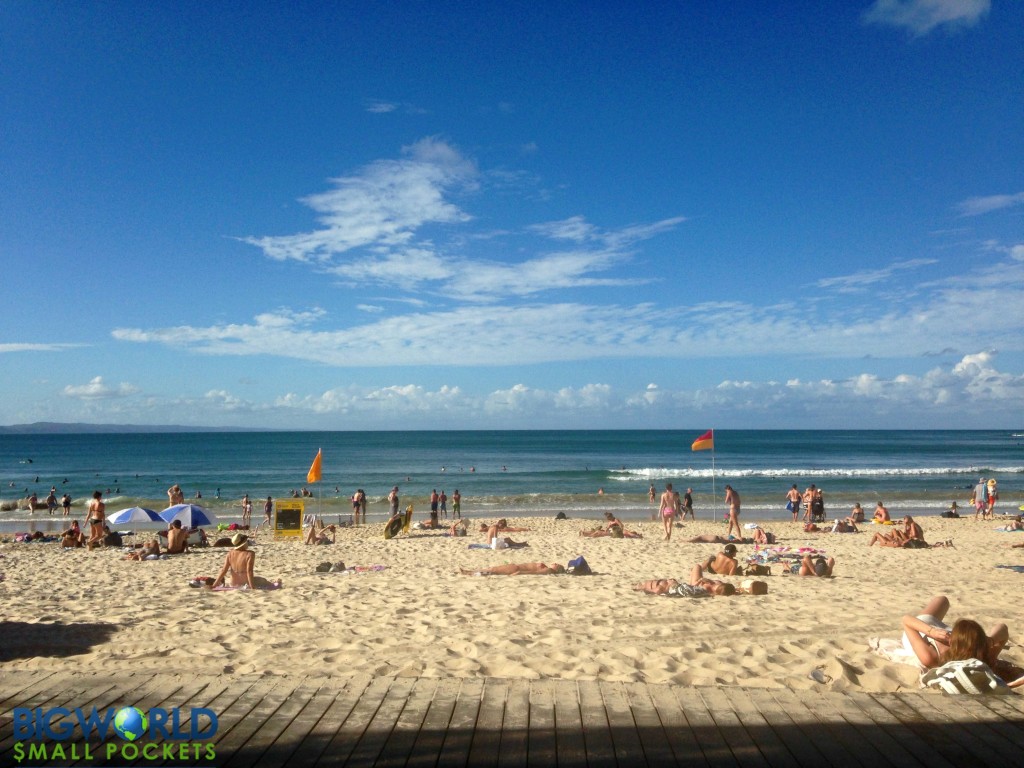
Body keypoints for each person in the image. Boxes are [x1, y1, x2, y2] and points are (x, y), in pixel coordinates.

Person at [901, 595, 1023, 685]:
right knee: (943, 600)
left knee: (942, 600)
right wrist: (990, 640)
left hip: (922, 627)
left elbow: (906, 620)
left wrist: (931, 631)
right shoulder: (985, 657)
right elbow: (1003, 628)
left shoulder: (931, 657)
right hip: (943, 632)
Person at [210, 533, 280, 589]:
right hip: (245, 583)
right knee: (263, 580)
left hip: (233, 583)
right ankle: (275, 583)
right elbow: (249, 571)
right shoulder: (250, 554)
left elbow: (223, 570)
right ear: (244, 543)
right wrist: (252, 587)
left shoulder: (230, 553)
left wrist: (214, 585)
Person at [633, 563, 737, 596]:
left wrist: (701, 581)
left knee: (696, 567)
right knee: (696, 567)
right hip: (677, 586)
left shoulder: (707, 590)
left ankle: (641, 587)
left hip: (692, 584)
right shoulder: (718, 585)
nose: (715, 584)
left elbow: (693, 588)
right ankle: (642, 587)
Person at [460, 562, 565, 576]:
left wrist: (520, 572)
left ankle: (470, 573)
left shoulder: (549, 570)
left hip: (516, 569)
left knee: (493, 571)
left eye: (557, 564)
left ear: (557, 569)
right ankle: (471, 572)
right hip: (515, 566)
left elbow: (534, 572)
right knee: (492, 569)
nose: (555, 563)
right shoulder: (548, 568)